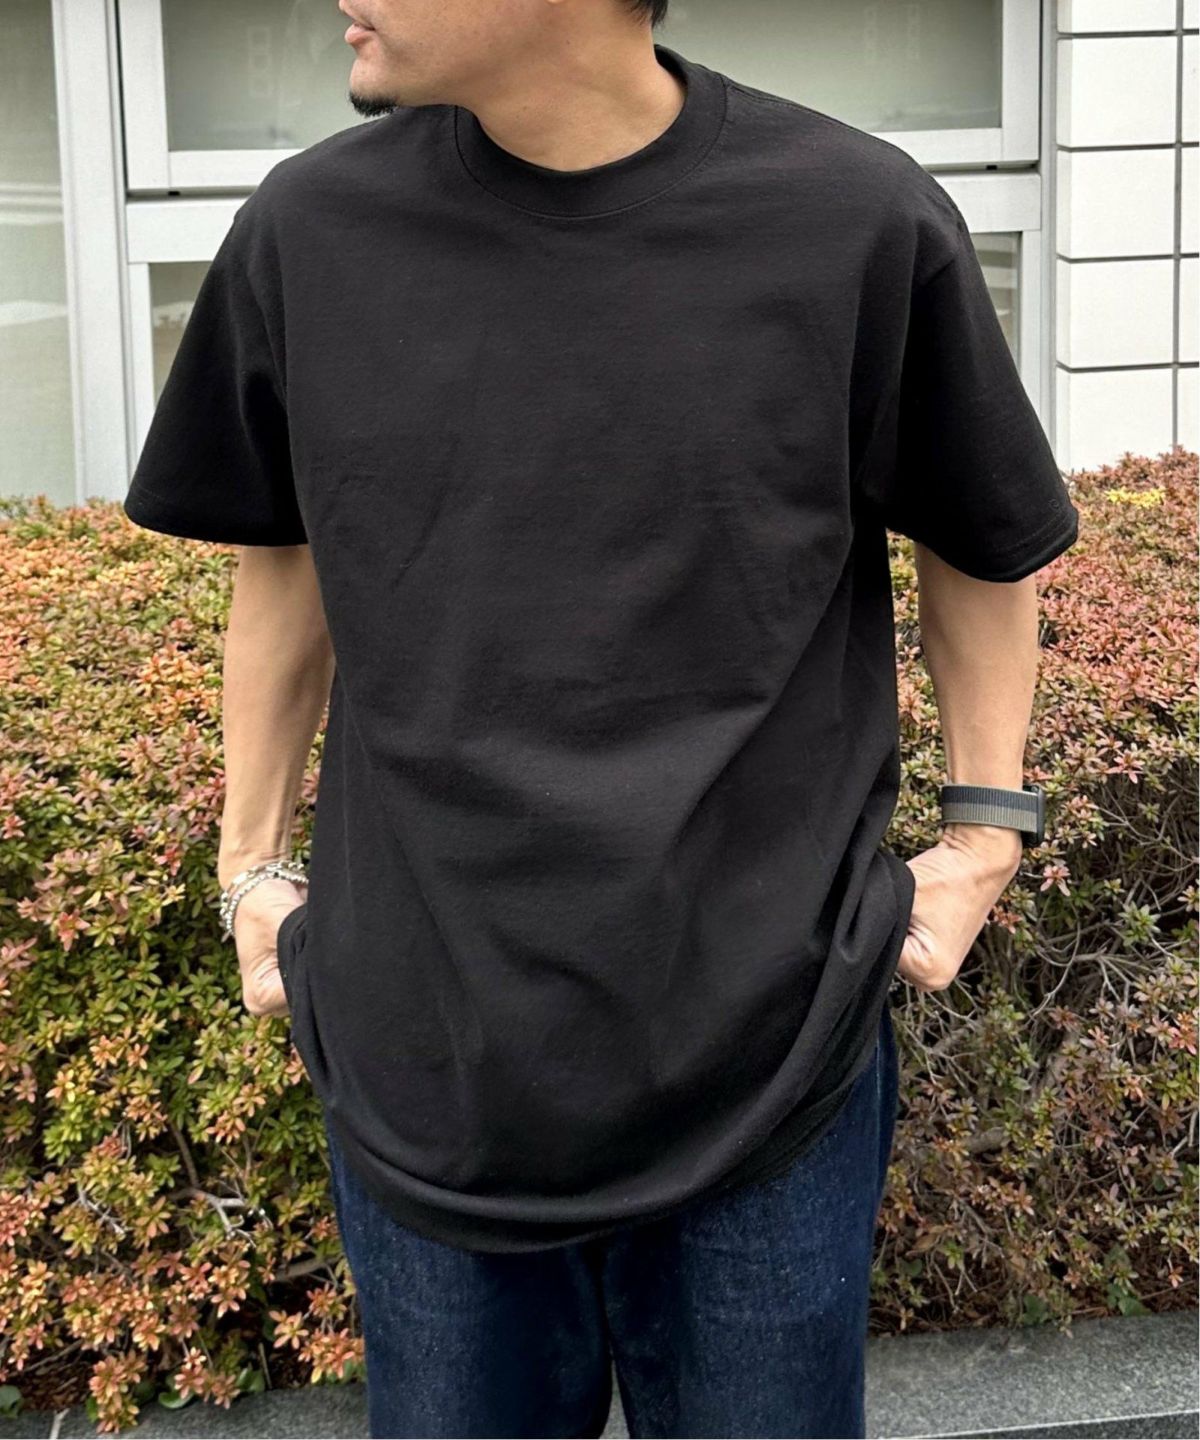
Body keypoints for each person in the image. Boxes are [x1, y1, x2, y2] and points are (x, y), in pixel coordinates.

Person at [122, 1, 1080, 1435]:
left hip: (769, 1067)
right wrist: (248, 866)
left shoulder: (855, 222)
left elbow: (984, 538)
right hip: (426, 1064)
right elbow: (287, 562)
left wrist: (987, 830)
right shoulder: (308, 234)